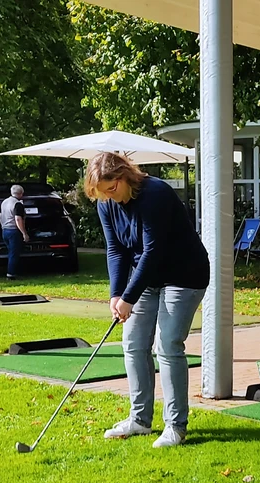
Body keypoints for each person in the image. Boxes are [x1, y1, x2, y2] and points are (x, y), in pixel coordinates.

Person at [87, 152, 209, 448]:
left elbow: (153, 250)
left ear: (125, 175)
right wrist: (117, 294)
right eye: (102, 193)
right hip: (147, 276)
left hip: (184, 274)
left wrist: (129, 296)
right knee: (133, 343)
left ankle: (176, 426)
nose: (109, 197)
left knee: (167, 345)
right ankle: (140, 420)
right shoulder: (108, 204)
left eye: (111, 189)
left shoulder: (156, 194)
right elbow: (116, 249)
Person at [0, 185, 29, 280]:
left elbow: (0, 215)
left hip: (5, 230)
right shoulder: (17, 204)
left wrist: (3, 226)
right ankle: (11, 274)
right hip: (13, 231)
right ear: (21, 193)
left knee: (11, 252)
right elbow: (18, 219)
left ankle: (12, 271)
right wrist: (24, 233)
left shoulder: (4, 202)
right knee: (14, 254)